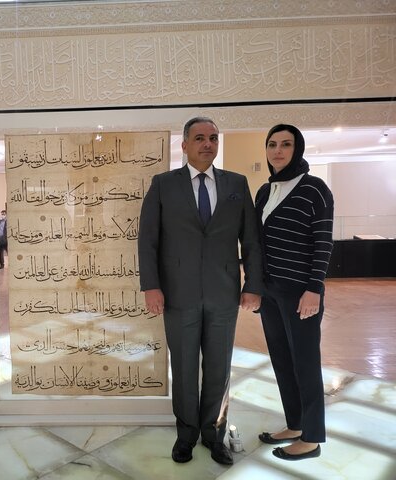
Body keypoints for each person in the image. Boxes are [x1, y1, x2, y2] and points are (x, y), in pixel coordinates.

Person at [138, 116, 264, 466]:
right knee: (184, 367)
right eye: (199, 138)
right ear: (184, 145)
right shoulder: (163, 185)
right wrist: (151, 286)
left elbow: (251, 240)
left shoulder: (237, 183)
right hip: (178, 294)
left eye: (213, 138)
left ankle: (214, 434)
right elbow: (148, 240)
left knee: (219, 368)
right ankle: (186, 435)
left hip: (224, 293)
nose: (208, 143)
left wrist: (253, 285)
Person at [255, 124, 334, 461]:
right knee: (282, 360)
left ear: (297, 149)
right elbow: (258, 243)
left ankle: (312, 438)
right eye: (272, 144)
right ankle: (296, 424)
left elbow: (323, 242)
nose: (278, 151)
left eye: (286, 144)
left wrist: (314, 288)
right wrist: (255, 286)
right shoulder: (264, 191)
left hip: (301, 292)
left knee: (305, 362)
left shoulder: (315, 189)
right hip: (270, 292)